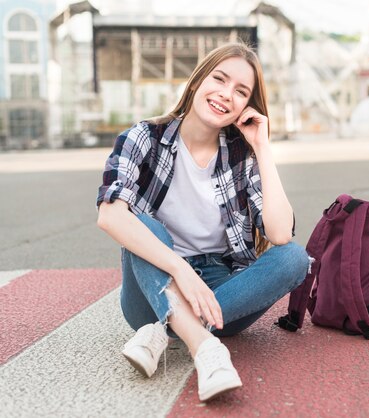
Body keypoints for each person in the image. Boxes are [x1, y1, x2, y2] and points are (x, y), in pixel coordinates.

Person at [96, 42, 310, 402]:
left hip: (220, 288)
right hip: (153, 285)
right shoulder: (143, 137)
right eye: (220, 79)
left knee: (294, 258)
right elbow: (110, 215)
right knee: (143, 224)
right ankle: (205, 349)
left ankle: (163, 332)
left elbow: (278, 232)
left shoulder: (242, 155)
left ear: (248, 106)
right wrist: (180, 270)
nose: (226, 95)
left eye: (241, 92)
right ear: (197, 81)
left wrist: (262, 148)